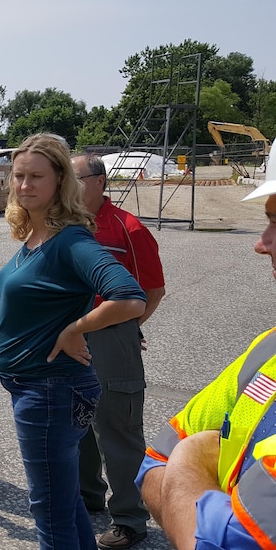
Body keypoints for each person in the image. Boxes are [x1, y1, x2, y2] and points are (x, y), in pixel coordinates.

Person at [0, 133, 146, 549]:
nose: (24, 185)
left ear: (61, 180)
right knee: (66, 502)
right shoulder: (35, 236)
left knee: (49, 510)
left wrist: (75, 328)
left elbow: (130, 297)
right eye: (19, 176)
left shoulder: (71, 240)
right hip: (40, 387)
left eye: (36, 177)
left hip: (49, 389)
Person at [136, 148, 276, 550]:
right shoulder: (267, 349)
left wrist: (194, 458)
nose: (261, 244)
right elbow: (153, 463)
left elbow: (216, 543)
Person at [71, 153, 166, 550]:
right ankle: (87, 496)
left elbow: (153, 289)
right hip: (71, 337)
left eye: (74, 177)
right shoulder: (65, 227)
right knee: (78, 424)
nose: (67, 185)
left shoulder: (129, 228)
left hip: (111, 338)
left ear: (100, 182)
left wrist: (126, 330)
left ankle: (128, 518)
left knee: (118, 428)